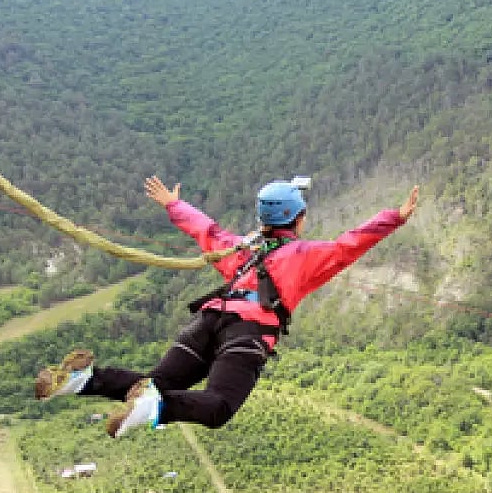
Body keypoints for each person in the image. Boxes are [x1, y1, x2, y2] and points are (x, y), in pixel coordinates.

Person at [35, 176, 420, 437]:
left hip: (207, 322)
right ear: (298, 219)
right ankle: (156, 409)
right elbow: (349, 244)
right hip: (247, 333)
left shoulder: (242, 248)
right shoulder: (305, 255)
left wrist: (175, 205)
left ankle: (80, 380)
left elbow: (207, 230)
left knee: (155, 382)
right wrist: (395, 218)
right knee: (217, 408)